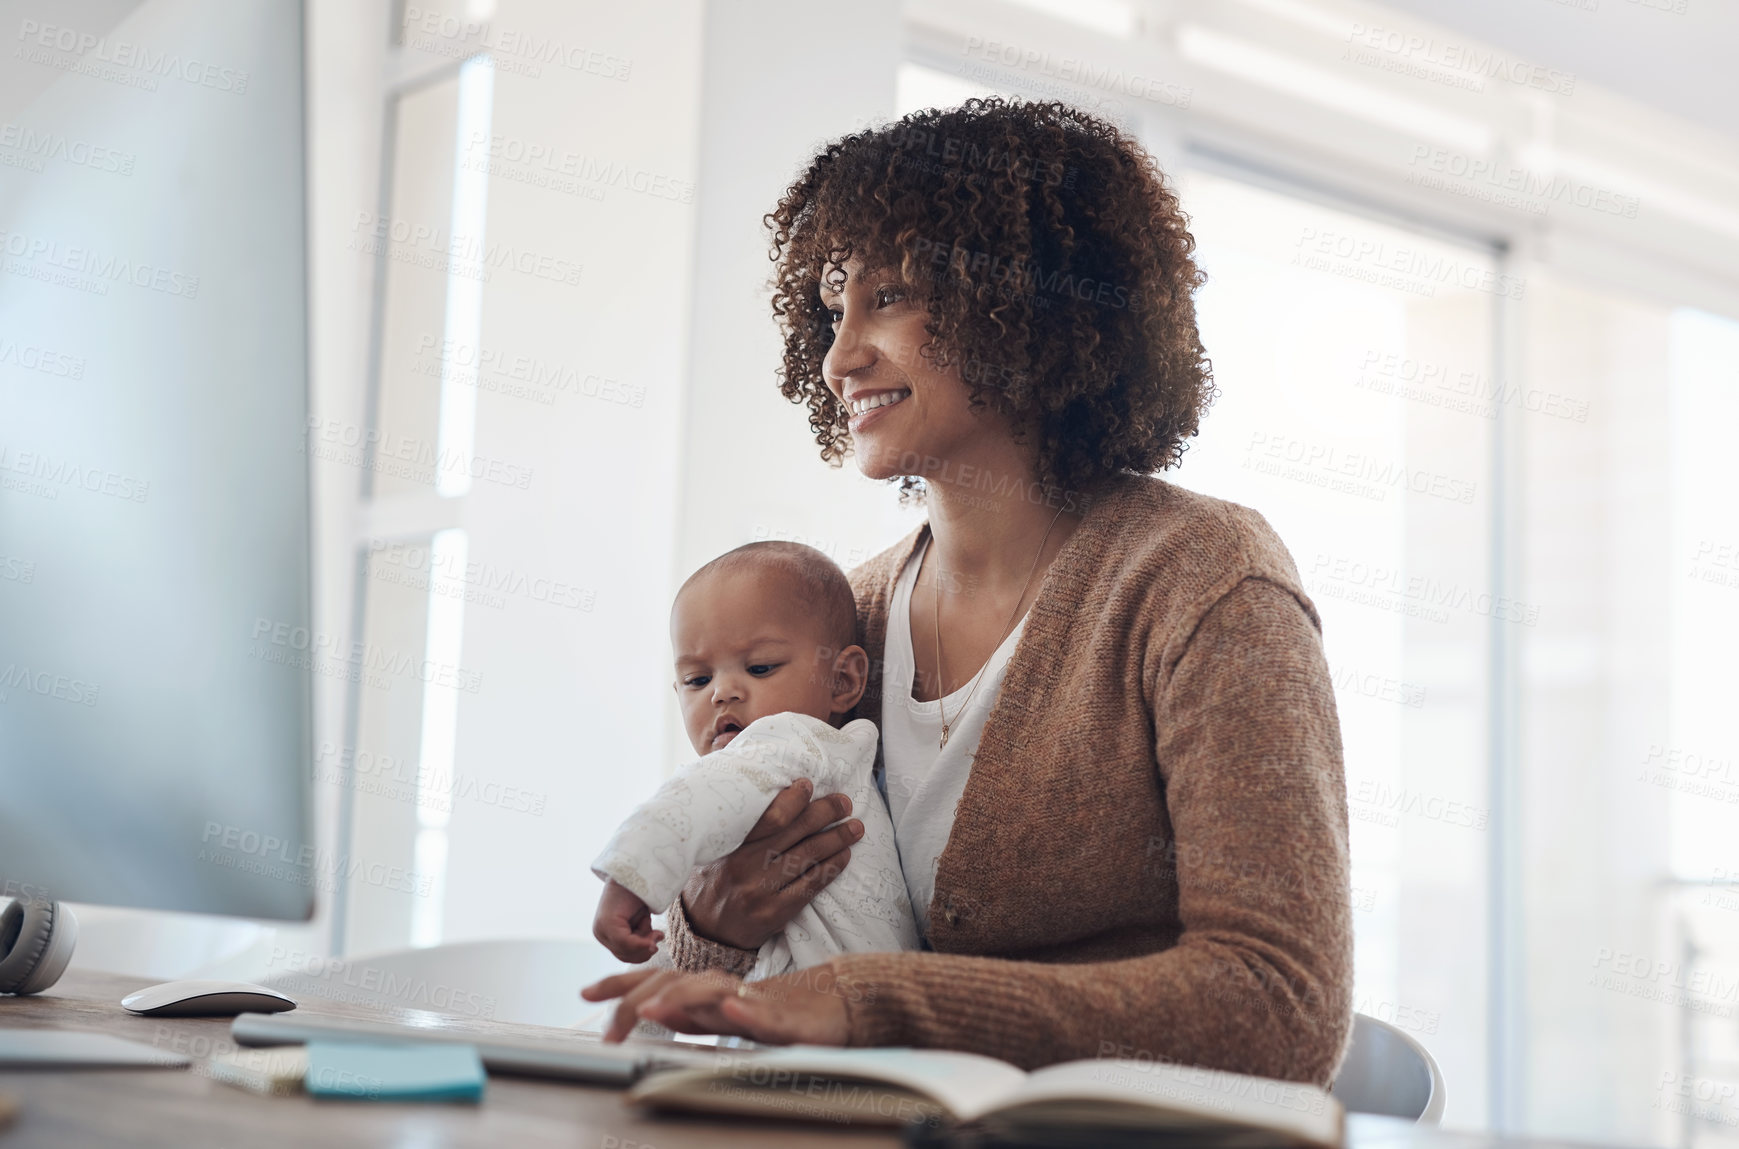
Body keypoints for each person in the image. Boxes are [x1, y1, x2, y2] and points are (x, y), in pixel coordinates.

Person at [583, 97, 1354, 1087]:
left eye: (889, 296)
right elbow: (758, 992)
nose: (837, 356)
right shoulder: (834, 623)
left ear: (1030, 306)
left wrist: (875, 1001)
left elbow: (1277, 1005)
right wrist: (711, 931)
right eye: (831, 305)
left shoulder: (1201, 580)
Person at [590, 541, 919, 978]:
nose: (721, 692)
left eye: (760, 668)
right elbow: (677, 966)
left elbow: (690, 800)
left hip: (831, 1025)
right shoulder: (781, 778)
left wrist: (629, 880)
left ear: (841, 680)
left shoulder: (794, 740)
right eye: (697, 679)